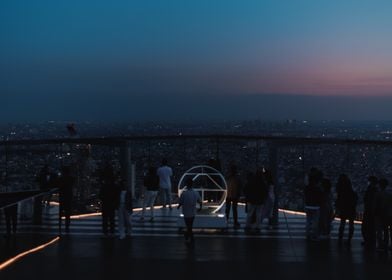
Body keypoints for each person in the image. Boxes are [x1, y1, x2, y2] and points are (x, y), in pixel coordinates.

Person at [177, 178, 202, 244]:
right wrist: (200, 208)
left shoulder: (184, 193)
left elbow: (181, 202)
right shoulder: (196, 193)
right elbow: (200, 201)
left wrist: (178, 206)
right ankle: (189, 236)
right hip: (193, 212)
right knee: (190, 225)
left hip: (185, 212)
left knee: (188, 225)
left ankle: (189, 236)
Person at [99, 162, 120, 237]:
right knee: (111, 218)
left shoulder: (104, 185)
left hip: (105, 202)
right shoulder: (114, 185)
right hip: (112, 202)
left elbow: (100, 195)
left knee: (105, 218)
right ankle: (112, 231)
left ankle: (105, 232)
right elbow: (117, 194)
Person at [336, 174, 358, 245]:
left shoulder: (340, 190)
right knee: (351, 224)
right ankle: (349, 239)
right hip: (351, 208)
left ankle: (340, 238)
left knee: (342, 223)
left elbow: (338, 200)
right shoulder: (351, 191)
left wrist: (337, 209)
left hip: (343, 208)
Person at [304, 168, 323, 241]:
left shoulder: (307, 187)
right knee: (315, 221)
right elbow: (320, 197)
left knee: (308, 220)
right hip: (315, 206)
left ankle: (308, 234)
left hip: (308, 205)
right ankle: (315, 235)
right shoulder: (318, 188)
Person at [361, 176, 378, 249]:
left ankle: (368, 240)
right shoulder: (375, 190)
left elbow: (367, 199)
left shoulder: (370, 190)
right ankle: (371, 240)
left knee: (366, 227)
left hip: (369, 210)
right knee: (371, 227)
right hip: (372, 210)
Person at [374, 178, 391, 251]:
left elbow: (376, 205)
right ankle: (387, 243)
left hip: (380, 214)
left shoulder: (378, 194)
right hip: (389, 214)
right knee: (387, 230)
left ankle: (381, 244)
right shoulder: (389, 194)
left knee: (380, 230)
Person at [58, 166, 75, 233]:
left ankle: (60, 224)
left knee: (61, 211)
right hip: (68, 196)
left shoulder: (61, 179)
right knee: (68, 212)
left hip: (62, 196)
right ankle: (67, 225)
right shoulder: (71, 179)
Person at [225, 164, 242, 229]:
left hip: (228, 195)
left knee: (228, 209)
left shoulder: (228, 177)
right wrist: (239, 194)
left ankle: (226, 220)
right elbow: (240, 186)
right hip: (234, 195)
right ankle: (235, 222)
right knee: (234, 209)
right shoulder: (237, 178)